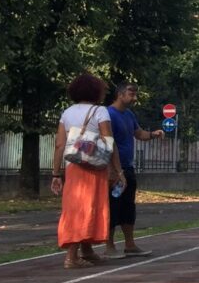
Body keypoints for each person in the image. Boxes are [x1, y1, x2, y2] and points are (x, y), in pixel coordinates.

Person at [51, 73, 124, 269]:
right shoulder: (100, 111)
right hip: (95, 166)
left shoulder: (66, 113)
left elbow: (59, 145)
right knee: (87, 208)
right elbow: (109, 142)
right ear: (97, 92)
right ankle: (71, 257)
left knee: (76, 206)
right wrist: (117, 170)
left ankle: (87, 250)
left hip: (73, 167)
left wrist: (56, 174)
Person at [104, 83, 163, 260]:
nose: (135, 98)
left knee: (128, 207)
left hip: (128, 168)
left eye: (136, 94)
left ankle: (130, 244)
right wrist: (111, 169)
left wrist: (153, 134)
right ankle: (109, 245)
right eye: (131, 94)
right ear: (120, 94)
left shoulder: (129, 114)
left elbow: (139, 134)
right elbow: (107, 141)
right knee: (113, 207)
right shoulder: (108, 114)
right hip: (114, 169)